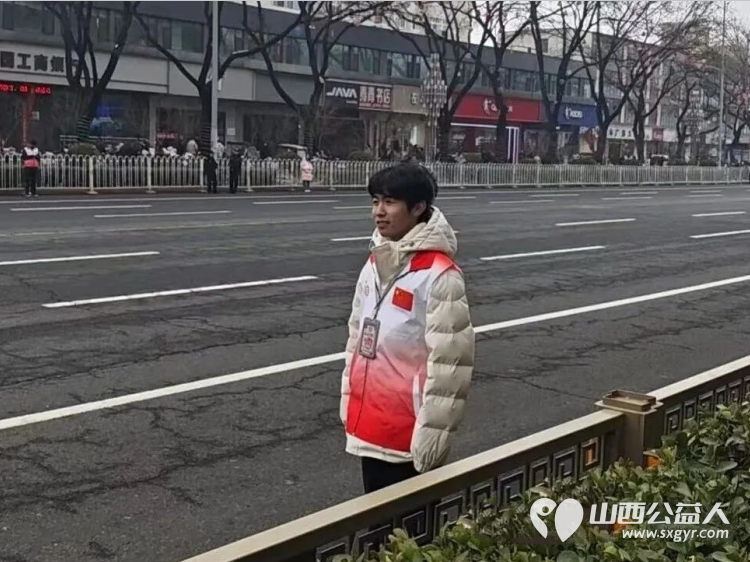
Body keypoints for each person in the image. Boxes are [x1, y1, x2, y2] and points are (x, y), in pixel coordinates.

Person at [340, 163, 475, 494]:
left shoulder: (439, 275)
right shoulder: (375, 262)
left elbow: (450, 366)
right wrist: (348, 399)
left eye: (390, 202)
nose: (379, 212)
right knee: (375, 512)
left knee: (408, 520)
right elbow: (356, 337)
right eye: (375, 201)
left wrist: (432, 438)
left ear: (418, 208)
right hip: (370, 419)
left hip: (408, 430)